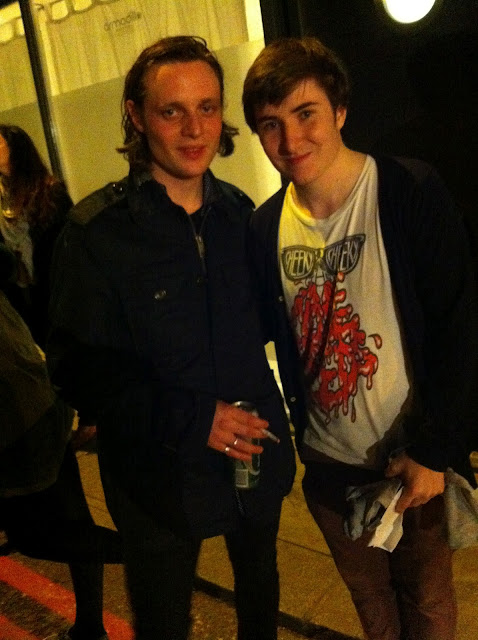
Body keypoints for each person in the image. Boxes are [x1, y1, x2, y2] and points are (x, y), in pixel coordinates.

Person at [47, 36, 295, 640]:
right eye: (171, 111)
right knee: (163, 621)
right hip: (156, 476)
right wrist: (191, 418)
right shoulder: (97, 233)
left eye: (207, 107)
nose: (194, 129)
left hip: (253, 456)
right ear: (135, 115)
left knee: (260, 597)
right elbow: (78, 368)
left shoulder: (241, 214)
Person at [242, 36, 477, 640]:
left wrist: (436, 451)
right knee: (372, 606)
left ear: (340, 109)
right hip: (329, 466)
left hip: (410, 458)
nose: (290, 141)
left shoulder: (405, 190)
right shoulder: (264, 227)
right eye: (270, 124)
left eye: (306, 114)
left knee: (428, 602)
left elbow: (458, 327)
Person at [0, 244, 121, 640]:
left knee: (35, 534)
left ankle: (151, 551)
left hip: (17, 411)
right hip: (32, 389)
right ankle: (91, 626)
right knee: (71, 520)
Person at [0, 124, 96, 449]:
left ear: (16, 149)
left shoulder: (48, 191)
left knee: (70, 353)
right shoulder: (3, 195)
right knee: (47, 354)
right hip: (22, 290)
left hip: (52, 287)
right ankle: (72, 417)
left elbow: (66, 244)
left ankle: (91, 418)